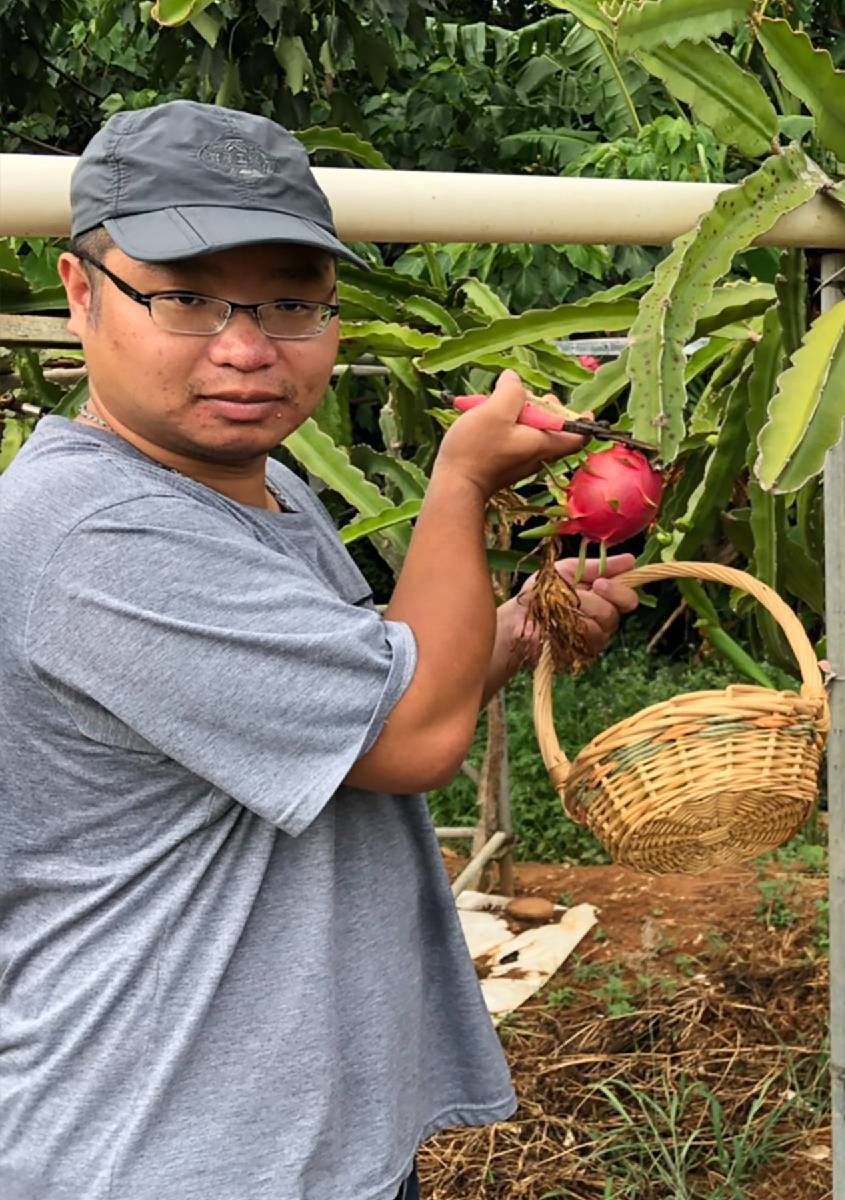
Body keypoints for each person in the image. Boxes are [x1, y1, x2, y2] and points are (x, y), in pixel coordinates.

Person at [0, 101, 638, 1199]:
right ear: (79, 293)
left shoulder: (256, 485)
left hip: (284, 1131)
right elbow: (410, 733)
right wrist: (463, 481)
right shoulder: (95, 534)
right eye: (188, 298)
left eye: (292, 303)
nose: (246, 349)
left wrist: (523, 627)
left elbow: (365, 698)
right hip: (161, 1146)